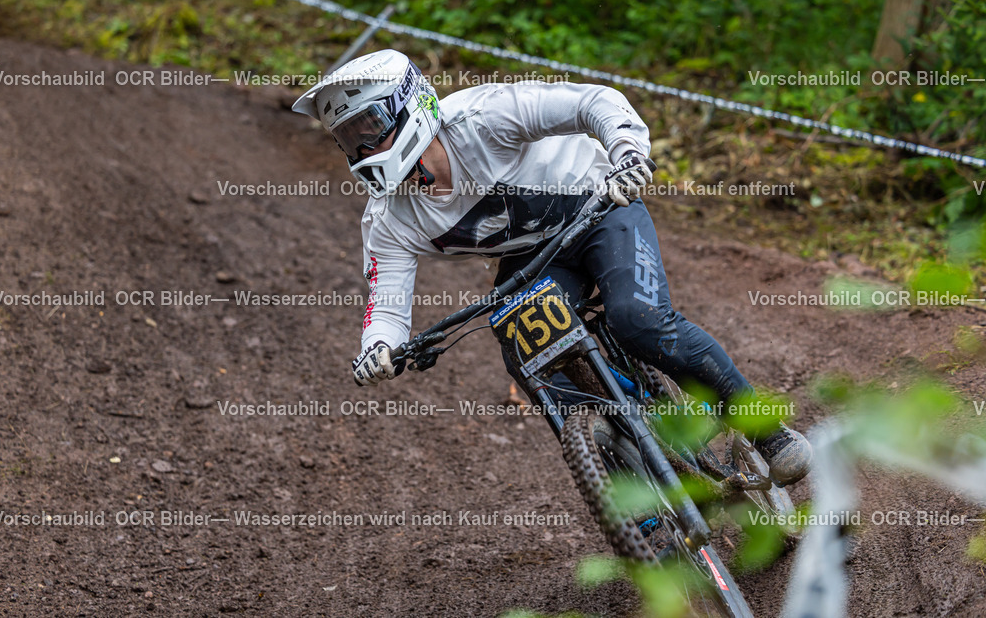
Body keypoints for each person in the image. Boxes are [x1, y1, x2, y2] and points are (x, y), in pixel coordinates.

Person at [293, 49, 812, 485]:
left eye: (369, 127)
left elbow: (593, 102)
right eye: (347, 138)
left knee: (640, 320)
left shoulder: (484, 117)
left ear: (410, 105)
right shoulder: (388, 219)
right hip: (533, 257)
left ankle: (769, 431)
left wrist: (628, 153)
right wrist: (378, 348)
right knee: (525, 349)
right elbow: (386, 303)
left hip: (602, 206)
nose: (361, 149)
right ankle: (625, 487)